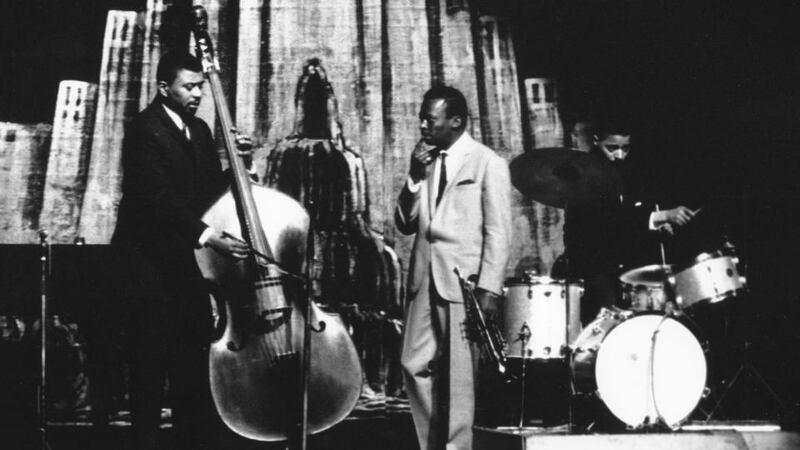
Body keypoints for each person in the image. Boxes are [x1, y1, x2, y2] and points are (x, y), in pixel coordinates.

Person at [110, 51, 251, 450]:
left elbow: (204, 194)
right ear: (163, 88)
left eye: (200, 87)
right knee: (149, 375)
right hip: (147, 274)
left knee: (191, 370)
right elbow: (159, 200)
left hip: (185, 270)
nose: (197, 94)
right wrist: (209, 238)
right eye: (188, 87)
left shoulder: (202, 131)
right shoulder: (144, 129)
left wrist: (239, 165)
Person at [395, 85, 512, 450]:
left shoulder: (487, 163)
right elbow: (405, 222)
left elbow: (499, 231)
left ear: (456, 121)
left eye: (430, 118)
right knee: (412, 365)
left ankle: (457, 448)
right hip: (423, 277)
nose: (422, 125)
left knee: (459, 379)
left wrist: (489, 287)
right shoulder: (427, 162)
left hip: (464, 283)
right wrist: (414, 176)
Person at [559, 123, 697, 323]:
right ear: (596, 140)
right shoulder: (584, 174)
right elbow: (609, 221)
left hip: (623, 265)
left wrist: (657, 226)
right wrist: (661, 216)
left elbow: (631, 214)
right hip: (595, 270)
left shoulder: (626, 170)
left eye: (625, 148)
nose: (620, 155)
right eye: (612, 148)